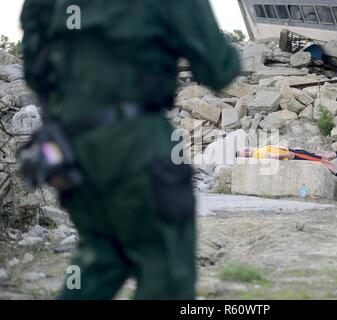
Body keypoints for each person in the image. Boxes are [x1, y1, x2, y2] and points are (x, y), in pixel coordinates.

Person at [20, 0, 241, 299]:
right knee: (166, 272)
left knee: (102, 259)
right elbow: (219, 68)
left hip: (67, 147)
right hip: (134, 143)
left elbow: (35, 67)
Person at [237, 141, 337, 188]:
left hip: (292, 152)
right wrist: (285, 155)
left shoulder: (257, 152)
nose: (248, 149)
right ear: (247, 155)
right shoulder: (257, 155)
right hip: (292, 155)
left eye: (246, 148)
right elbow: (272, 158)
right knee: (324, 162)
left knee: (321, 157)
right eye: (246, 151)